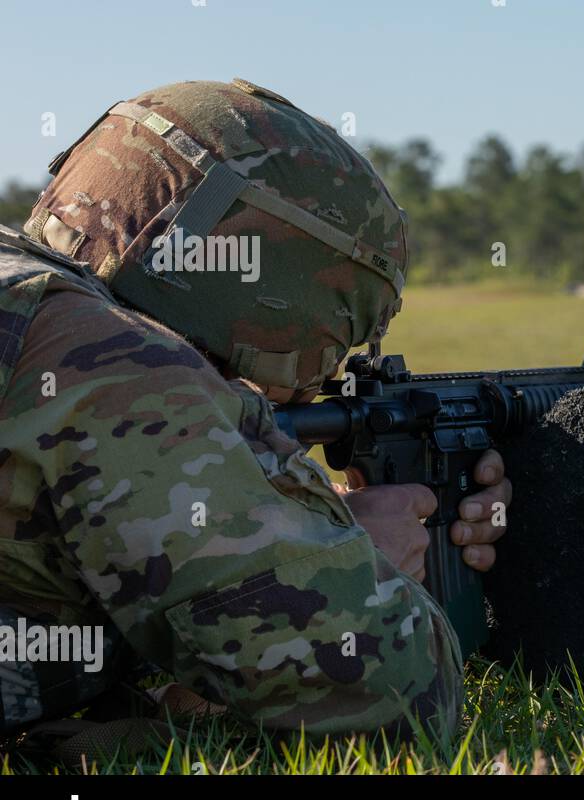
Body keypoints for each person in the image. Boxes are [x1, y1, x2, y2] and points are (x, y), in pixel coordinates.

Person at [0, 79, 509, 740]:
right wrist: (348, 555)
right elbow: (401, 696)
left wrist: (269, 516)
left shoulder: (35, 306)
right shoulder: (118, 365)